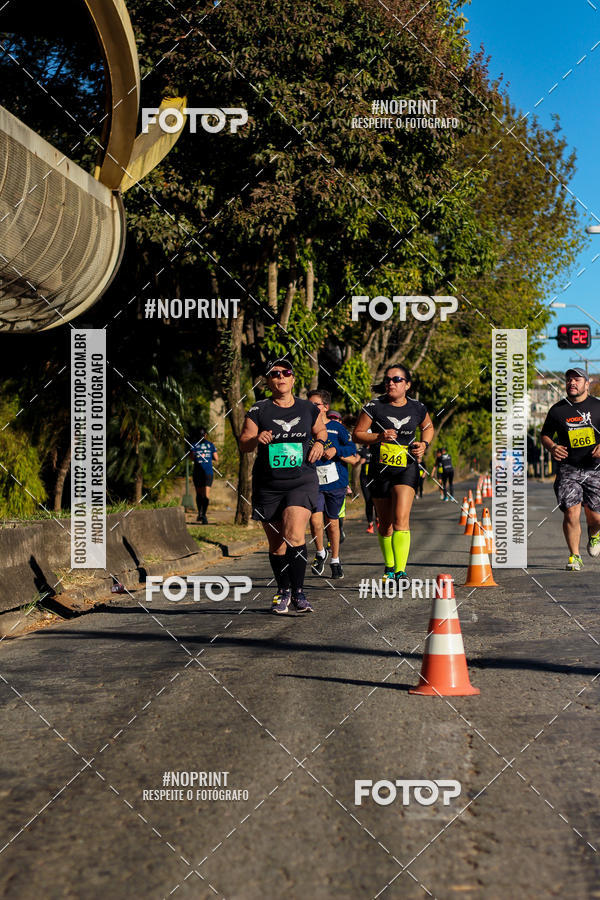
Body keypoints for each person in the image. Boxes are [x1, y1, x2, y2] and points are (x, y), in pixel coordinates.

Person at [240, 358, 327, 612]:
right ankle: (283, 590)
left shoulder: (307, 409)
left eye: (286, 372)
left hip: (301, 480)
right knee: (277, 544)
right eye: (274, 373)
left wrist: (320, 444)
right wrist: (257, 438)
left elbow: (321, 431)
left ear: (293, 378)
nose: (281, 377)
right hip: (269, 483)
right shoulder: (259, 410)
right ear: (268, 380)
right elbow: (244, 443)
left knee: (294, 534)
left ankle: (299, 593)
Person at [353, 364, 433, 580]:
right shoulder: (374, 406)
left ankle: (401, 571)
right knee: (385, 524)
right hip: (379, 469)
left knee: (401, 519)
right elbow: (357, 435)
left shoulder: (417, 408)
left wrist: (424, 444)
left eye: (397, 379)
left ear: (407, 384)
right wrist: (378, 437)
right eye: (388, 379)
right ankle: (389, 567)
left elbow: (428, 427)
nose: (391, 383)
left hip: (406, 468)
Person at [540, 367, 600, 571]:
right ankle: (575, 556)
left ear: (587, 383)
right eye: (568, 380)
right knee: (571, 513)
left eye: (577, 379)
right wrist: (552, 446)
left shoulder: (598, 406)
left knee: (596, 517)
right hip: (569, 469)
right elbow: (545, 435)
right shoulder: (558, 410)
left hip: (595, 469)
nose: (572, 383)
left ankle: (594, 534)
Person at [308, 391, 359, 579]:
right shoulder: (306, 428)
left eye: (316, 405)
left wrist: (335, 449)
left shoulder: (337, 428)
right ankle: (320, 552)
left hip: (335, 481)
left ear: (325, 407)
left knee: (333, 523)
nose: (312, 408)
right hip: (312, 481)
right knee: (314, 520)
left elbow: (352, 449)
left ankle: (335, 559)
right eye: (309, 404)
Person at [190, 427, 219, 524]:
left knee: (199, 494)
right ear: (205, 435)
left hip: (198, 472)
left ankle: (201, 514)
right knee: (205, 494)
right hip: (207, 472)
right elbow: (216, 458)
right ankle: (203, 515)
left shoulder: (194, 445)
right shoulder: (210, 445)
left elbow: (192, 458)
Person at [357, 444, 375, 528]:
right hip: (365, 479)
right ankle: (370, 523)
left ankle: (378, 519)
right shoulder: (362, 449)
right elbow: (355, 461)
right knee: (368, 501)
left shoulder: (376, 447)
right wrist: (359, 461)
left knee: (376, 500)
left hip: (375, 479)